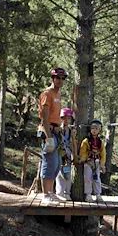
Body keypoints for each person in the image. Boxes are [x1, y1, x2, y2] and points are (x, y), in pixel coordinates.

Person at [38, 67, 68, 203]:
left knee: (57, 164)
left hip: (56, 131)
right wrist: (48, 136)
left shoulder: (58, 94)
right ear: (53, 78)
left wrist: (59, 127)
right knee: (49, 163)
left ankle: (51, 193)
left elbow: (56, 115)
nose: (60, 81)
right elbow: (44, 118)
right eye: (58, 78)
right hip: (47, 131)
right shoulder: (47, 94)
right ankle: (45, 195)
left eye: (62, 78)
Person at [79, 119, 106, 202]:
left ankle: (98, 194)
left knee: (97, 179)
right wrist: (83, 159)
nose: (94, 130)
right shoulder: (86, 141)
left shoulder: (100, 142)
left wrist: (102, 164)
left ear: (99, 130)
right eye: (93, 128)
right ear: (90, 129)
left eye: (97, 128)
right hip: (88, 162)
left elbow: (103, 154)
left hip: (97, 163)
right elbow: (83, 151)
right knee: (87, 179)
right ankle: (88, 195)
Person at [55, 107, 77, 200]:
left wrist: (75, 155)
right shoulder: (57, 130)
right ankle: (59, 193)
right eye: (64, 118)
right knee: (59, 174)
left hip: (67, 156)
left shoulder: (70, 131)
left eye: (68, 118)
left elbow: (73, 144)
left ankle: (67, 192)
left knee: (67, 173)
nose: (66, 120)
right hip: (59, 154)